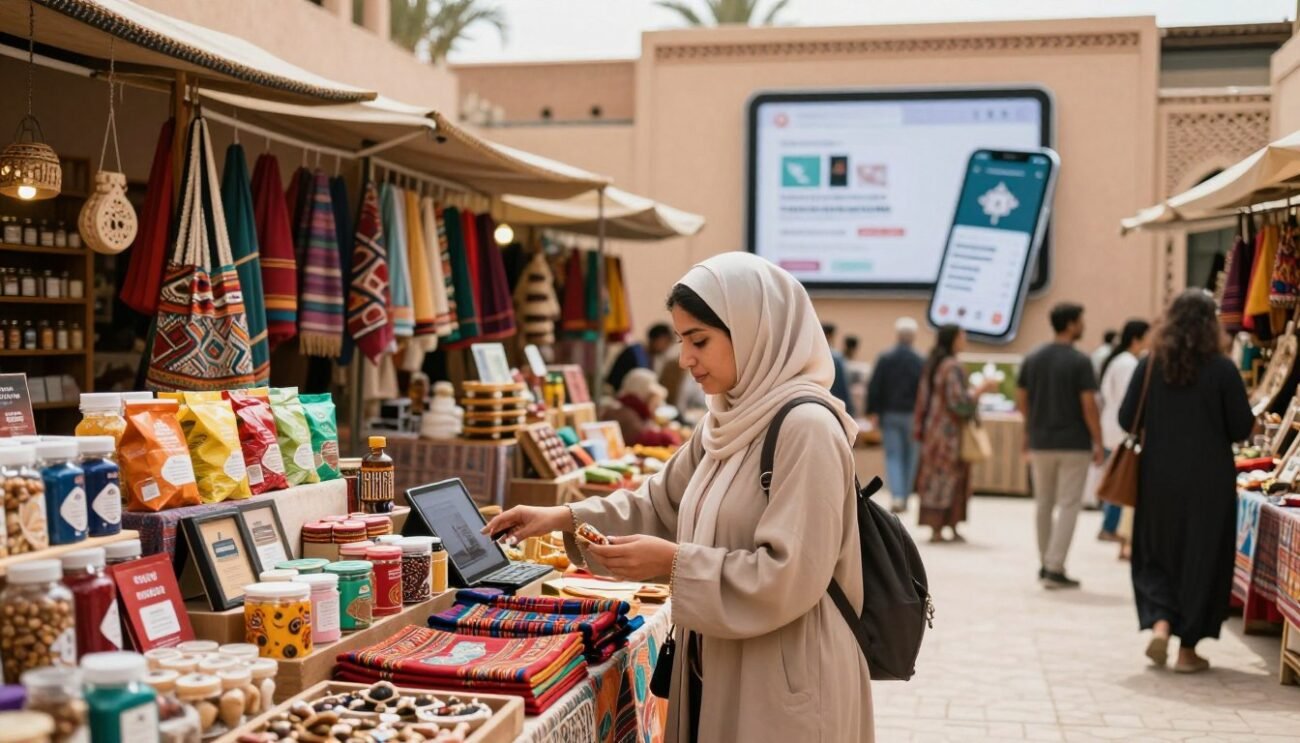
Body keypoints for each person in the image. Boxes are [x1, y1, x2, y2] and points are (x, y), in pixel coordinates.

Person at [484, 252, 872, 742]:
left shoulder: (807, 429)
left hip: (785, 678)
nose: (685, 358)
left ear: (755, 330)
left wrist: (673, 564)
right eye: (682, 339)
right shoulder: (726, 421)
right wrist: (560, 517)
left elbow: (788, 574)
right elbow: (657, 504)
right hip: (727, 662)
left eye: (700, 341)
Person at [1119, 289, 1252, 674]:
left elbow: (1127, 419)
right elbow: (1241, 427)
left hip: (1158, 479)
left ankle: (1161, 622)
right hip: (1210, 482)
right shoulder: (1223, 369)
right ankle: (1187, 651)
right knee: (1202, 560)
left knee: (1157, 554)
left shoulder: (1150, 363)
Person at [1017, 303, 1103, 589]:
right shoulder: (1080, 361)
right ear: (1069, 324)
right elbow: (1088, 404)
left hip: (1041, 441)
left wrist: (1030, 427)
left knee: (1043, 503)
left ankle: (1046, 562)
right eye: (1080, 321)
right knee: (1068, 504)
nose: (1083, 326)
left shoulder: (1033, 357)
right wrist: (1098, 440)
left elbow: (1021, 398)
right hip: (1074, 443)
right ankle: (1055, 566)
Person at [914, 324, 997, 542]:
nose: (965, 341)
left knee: (937, 479)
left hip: (933, 432)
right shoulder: (952, 367)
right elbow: (958, 403)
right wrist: (981, 390)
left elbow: (923, 401)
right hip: (949, 435)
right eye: (962, 337)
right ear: (953, 339)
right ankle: (945, 525)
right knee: (951, 478)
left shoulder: (934, 364)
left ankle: (941, 526)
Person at [1096, 319, 1150, 543]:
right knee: (1120, 477)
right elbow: (1131, 400)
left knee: (1116, 474)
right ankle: (1109, 526)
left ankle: (1109, 525)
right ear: (1137, 339)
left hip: (1113, 424)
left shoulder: (1120, 360)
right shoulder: (1128, 363)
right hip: (1119, 427)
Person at [868, 317, 925, 512]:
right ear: (913, 337)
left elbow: (875, 386)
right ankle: (906, 496)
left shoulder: (885, 358)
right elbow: (924, 391)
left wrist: (873, 411)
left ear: (898, 335)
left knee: (893, 455)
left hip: (890, 414)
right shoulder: (920, 360)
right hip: (913, 416)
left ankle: (897, 496)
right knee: (911, 456)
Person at [600, 368, 683, 448]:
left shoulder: (628, 409)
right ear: (645, 395)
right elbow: (646, 439)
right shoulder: (624, 413)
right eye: (651, 398)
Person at [607, 323, 674, 392]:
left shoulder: (650, 358)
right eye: (666, 342)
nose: (667, 347)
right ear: (656, 339)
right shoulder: (634, 353)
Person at [824, 323, 855, 416]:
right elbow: (843, 386)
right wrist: (849, 409)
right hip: (834, 405)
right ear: (830, 336)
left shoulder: (808, 355)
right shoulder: (836, 358)